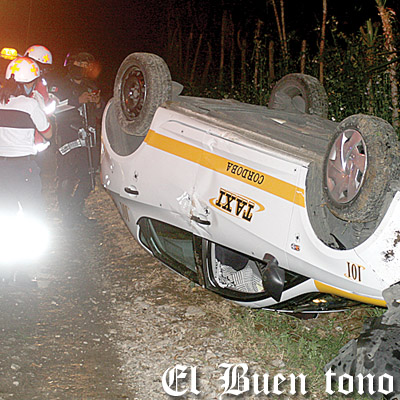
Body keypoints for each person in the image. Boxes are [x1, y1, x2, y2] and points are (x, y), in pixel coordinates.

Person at [51, 51, 103, 226]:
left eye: (85, 65)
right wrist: (76, 100)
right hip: (67, 137)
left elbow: (99, 112)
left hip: (88, 138)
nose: (82, 69)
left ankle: (75, 211)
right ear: (71, 65)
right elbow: (52, 108)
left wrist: (96, 102)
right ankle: (65, 215)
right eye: (78, 65)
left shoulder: (90, 85)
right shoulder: (59, 85)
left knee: (88, 178)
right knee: (66, 177)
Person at [0, 57, 52, 218]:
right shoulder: (30, 105)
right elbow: (48, 132)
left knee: (6, 213)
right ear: (27, 83)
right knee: (33, 213)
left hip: (2, 167)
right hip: (23, 168)